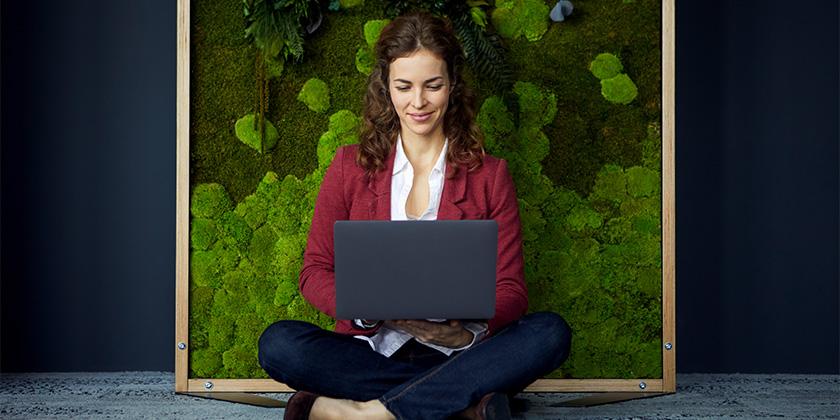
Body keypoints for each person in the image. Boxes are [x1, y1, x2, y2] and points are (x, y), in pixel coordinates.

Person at [258, 11, 572, 420]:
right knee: (280, 344)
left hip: (458, 352)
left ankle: (370, 412)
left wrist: (456, 333)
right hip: (370, 351)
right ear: (385, 87)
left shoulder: (491, 176)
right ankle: (459, 407)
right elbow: (314, 271)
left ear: (453, 85)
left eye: (433, 86)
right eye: (404, 86)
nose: (418, 103)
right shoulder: (348, 167)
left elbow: (511, 290)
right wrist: (367, 307)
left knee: (549, 334)